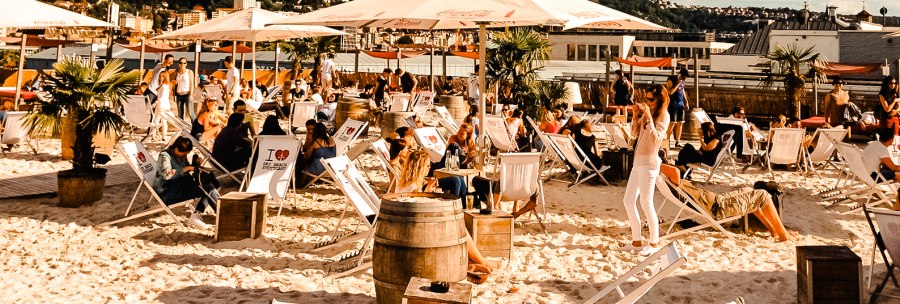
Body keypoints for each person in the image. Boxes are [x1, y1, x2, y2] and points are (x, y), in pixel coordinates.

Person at [658, 164, 794, 242]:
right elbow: (675, 171)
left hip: (717, 200)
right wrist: (656, 161)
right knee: (763, 195)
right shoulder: (672, 179)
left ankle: (773, 230)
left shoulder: (667, 180)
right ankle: (783, 235)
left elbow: (674, 171)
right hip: (718, 207)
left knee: (748, 191)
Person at [621, 84, 670, 256]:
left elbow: (656, 140)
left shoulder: (664, 116)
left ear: (660, 99)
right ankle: (636, 241)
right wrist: (635, 117)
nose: (648, 102)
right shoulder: (650, 114)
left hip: (649, 163)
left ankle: (654, 243)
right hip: (638, 161)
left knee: (646, 203)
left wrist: (648, 118)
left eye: (651, 99)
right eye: (647, 99)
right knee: (628, 201)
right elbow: (634, 134)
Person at [154, 137, 220, 229]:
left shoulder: (180, 153)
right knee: (208, 188)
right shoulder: (165, 156)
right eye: (183, 154)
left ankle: (198, 215)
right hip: (168, 191)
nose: (184, 156)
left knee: (214, 184)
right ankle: (216, 214)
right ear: (176, 149)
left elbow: (186, 168)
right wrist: (188, 168)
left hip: (181, 184)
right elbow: (166, 175)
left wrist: (195, 164)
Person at [666, 75, 689, 148]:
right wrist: (678, 84)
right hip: (673, 104)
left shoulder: (683, 81)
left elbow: (682, 90)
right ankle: (667, 140)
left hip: (680, 104)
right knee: (672, 123)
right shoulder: (671, 79)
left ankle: (677, 141)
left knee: (680, 123)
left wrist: (686, 102)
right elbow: (670, 92)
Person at [153, 71, 172, 138]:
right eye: (160, 76)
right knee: (160, 120)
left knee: (159, 120)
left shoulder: (165, 86)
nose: (161, 77)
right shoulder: (163, 85)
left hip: (162, 104)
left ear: (166, 77)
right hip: (163, 103)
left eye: (163, 76)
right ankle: (160, 135)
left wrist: (156, 102)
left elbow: (163, 96)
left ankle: (159, 135)